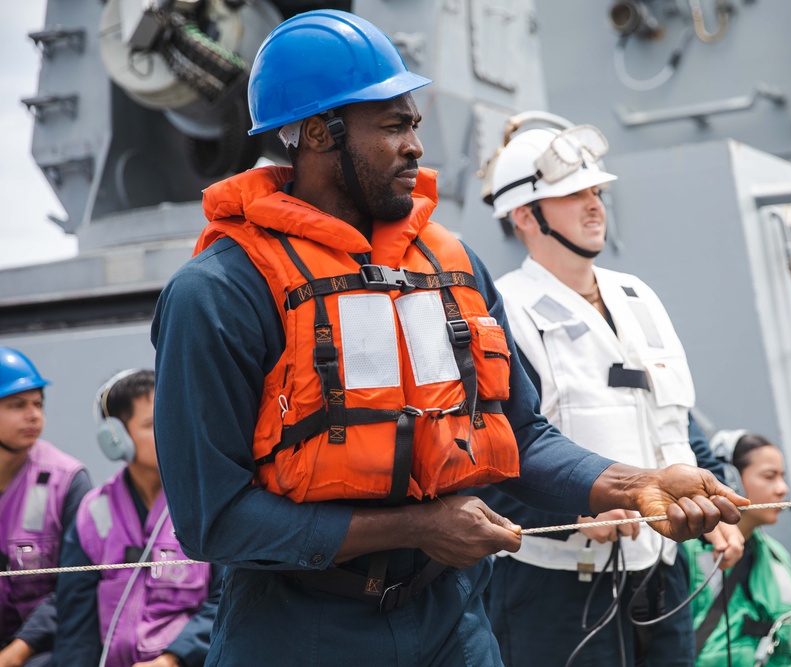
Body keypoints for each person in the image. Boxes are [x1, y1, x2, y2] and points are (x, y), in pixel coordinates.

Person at [149, 10, 746, 666]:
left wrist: (635, 484)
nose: (414, 147)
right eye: (394, 126)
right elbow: (214, 518)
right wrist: (416, 526)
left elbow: (521, 432)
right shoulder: (218, 292)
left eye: (415, 125)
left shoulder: (451, 265)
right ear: (320, 134)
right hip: (297, 628)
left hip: (449, 622)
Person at [474, 122, 745, 667]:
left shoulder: (637, 295)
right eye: (573, 194)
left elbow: (674, 418)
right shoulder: (504, 312)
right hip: (555, 589)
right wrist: (578, 511)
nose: (594, 204)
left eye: (596, 191)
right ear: (526, 215)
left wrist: (721, 489)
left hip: (665, 574)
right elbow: (488, 457)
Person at [54, 370, 221, 667]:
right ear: (116, 438)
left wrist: (173, 659)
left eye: (172, 416)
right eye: (150, 423)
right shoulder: (93, 512)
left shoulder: (208, 502)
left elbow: (228, 600)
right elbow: (76, 623)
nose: (168, 430)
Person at [683, 431, 791, 667]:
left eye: (782, 477)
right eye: (769, 477)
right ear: (731, 481)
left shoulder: (777, 557)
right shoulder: (687, 552)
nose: (783, 488)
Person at [0, 347, 91, 667]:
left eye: (38, 404)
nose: (33, 415)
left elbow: (75, 584)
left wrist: (17, 652)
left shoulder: (67, 480)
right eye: (17, 405)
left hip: (43, 648)